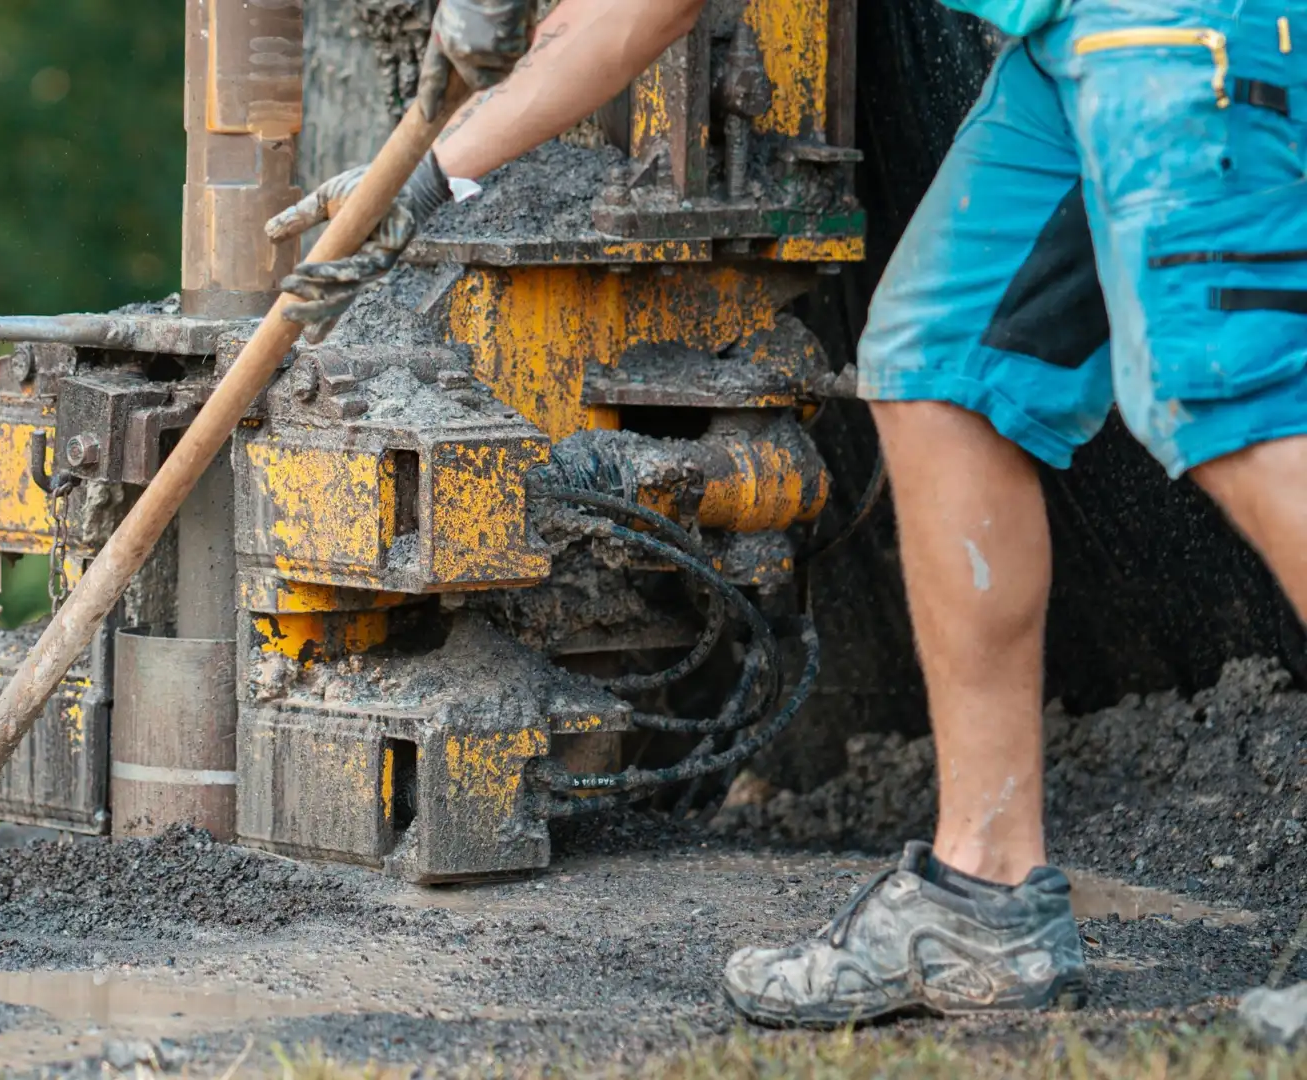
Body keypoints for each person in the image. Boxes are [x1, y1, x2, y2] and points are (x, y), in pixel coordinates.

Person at [269, 0, 1307, 1028]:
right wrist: (431, 175)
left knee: (1227, 395)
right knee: (944, 372)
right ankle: (984, 899)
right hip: (1073, 34)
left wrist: (440, 165)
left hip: (1184, 23)